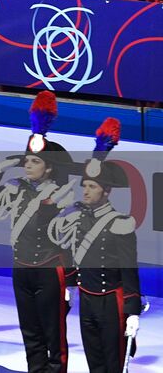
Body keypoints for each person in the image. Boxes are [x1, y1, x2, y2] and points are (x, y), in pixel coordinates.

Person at [0, 92, 75, 373]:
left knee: (53, 336)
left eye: (35, 162)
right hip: (21, 268)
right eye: (27, 161)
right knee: (30, 332)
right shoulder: (17, 187)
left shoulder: (60, 195)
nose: (28, 166)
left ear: (49, 168)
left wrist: (69, 281)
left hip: (49, 270)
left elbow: (69, 238)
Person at [55, 132, 142, 373]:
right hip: (87, 298)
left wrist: (132, 312)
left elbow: (129, 268)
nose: (85, 191)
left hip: (110, 301)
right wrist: (71, 286)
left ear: (106, 191)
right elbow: (71, 251)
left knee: (112, 362)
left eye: (92, 186)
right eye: (84, 186)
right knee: (93, 358)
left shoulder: (120, 223)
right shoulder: (79, 218)